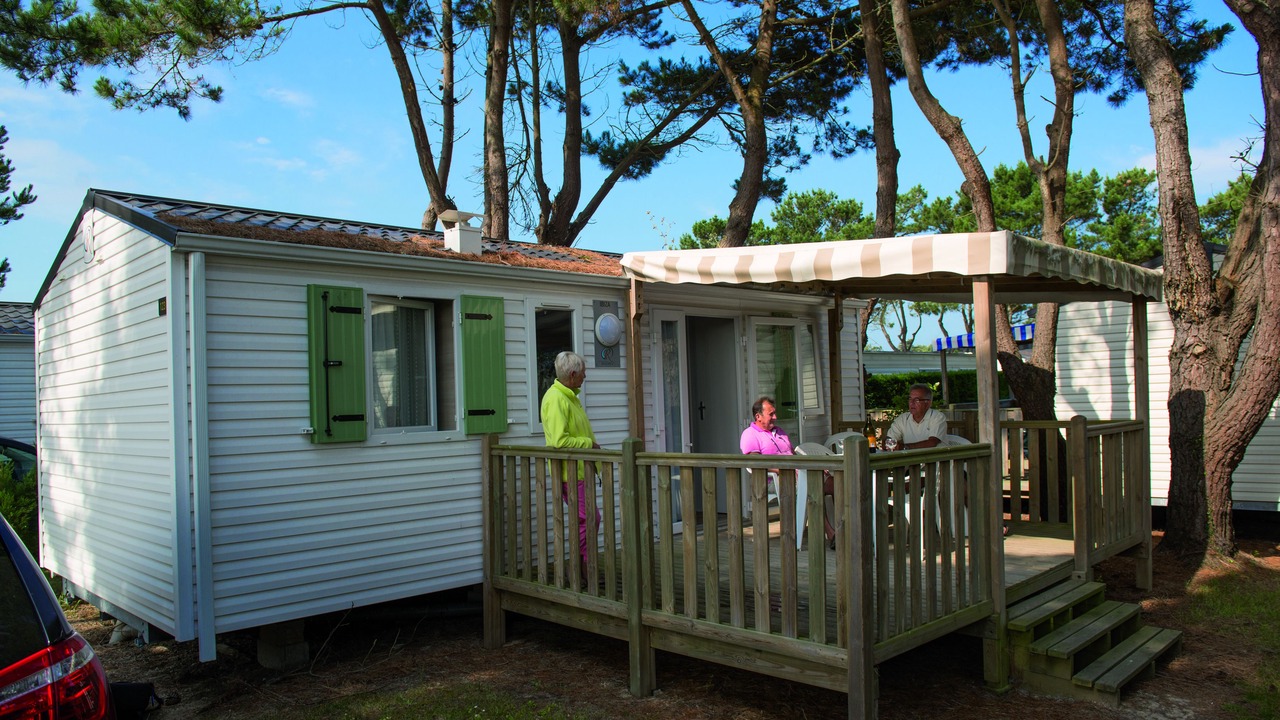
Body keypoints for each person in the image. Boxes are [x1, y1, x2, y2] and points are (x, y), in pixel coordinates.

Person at [740, 396, 837, 547]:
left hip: (798, 473)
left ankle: (845, 526)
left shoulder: (780, 431)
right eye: (771, 414)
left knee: (837, 484)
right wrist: (783, 469)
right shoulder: (750, 434)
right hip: (775, 479)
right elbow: (755, 462)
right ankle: (832, 535)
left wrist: (813, 465)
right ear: (758, 416)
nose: (775, 417)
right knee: (813, 489)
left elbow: (792, 454)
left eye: (775, 413)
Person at [541, 351, 601, 577]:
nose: (585, 377)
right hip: (571, 474)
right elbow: (559, 441)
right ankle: (579, 567)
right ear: (573, 374)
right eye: (583, 372)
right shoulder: (557, 398)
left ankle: (582, 566)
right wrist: (590, 445)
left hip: (579, 471)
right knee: (589, 518)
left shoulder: (568, 397)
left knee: (589, 518)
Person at [885, 383, 948, 451]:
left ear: (928, 403)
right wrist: (889, 444)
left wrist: (904, 447)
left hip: (936, 460)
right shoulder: (902, 419)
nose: (911, 403)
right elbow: (888, 439)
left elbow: (932, 443)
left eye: (916, 400)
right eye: (910, 399)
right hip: (912, 460)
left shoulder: (937, 417)